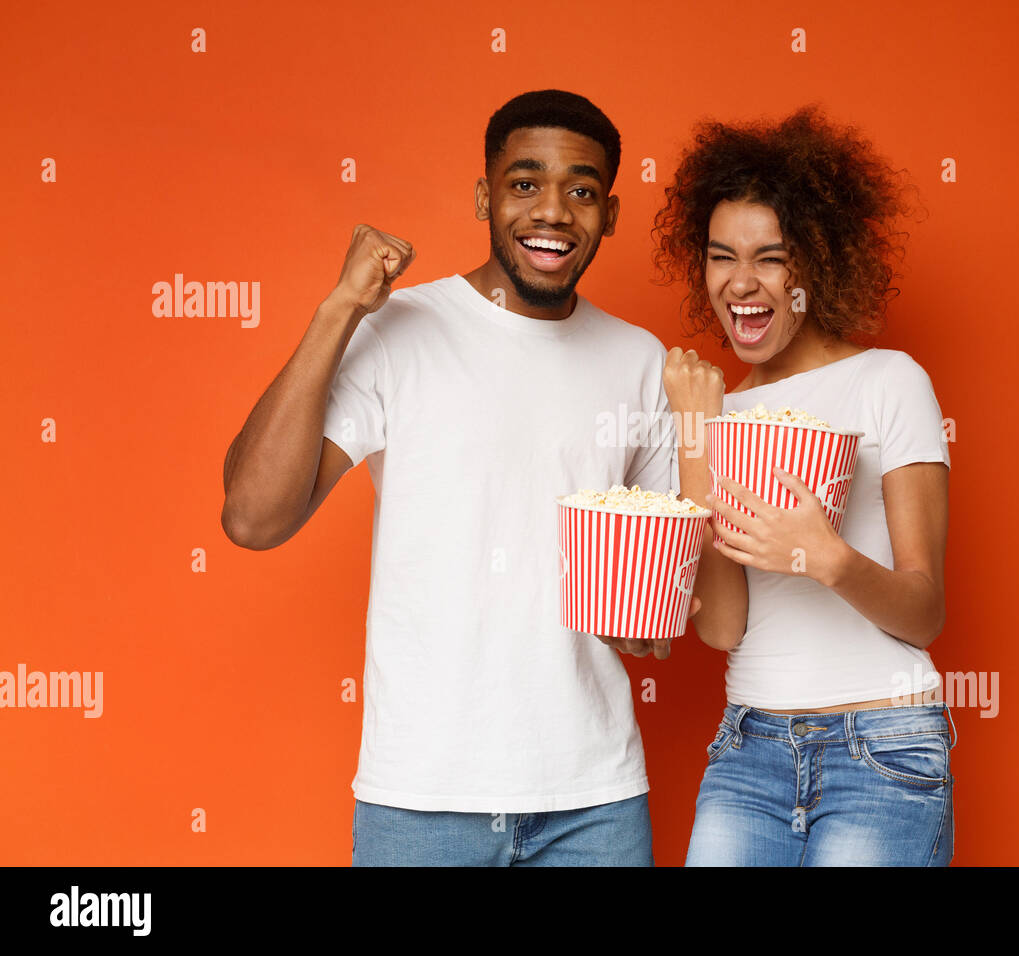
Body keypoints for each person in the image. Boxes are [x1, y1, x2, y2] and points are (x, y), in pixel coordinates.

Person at [221, 89, 684, 866]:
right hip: (422, 798)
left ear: (609, 213)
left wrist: (649, 622)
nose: (553, 212)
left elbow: (648, 612)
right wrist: (340, 309)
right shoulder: (400, 331)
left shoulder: (640, 361)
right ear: (484, 196)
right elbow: (252, 519)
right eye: (525, 183)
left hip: (593, 800)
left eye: (580, 190)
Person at [654, 105, 956, 866]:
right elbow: (722, 628)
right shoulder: (712, 408)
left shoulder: (890, 382)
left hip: (881, 747)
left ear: (816, 264)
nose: (743, 283)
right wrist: (699, 432)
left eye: (772, 258)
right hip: (749, 748)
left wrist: (830, 559)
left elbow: (924, 613)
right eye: (722, 257)